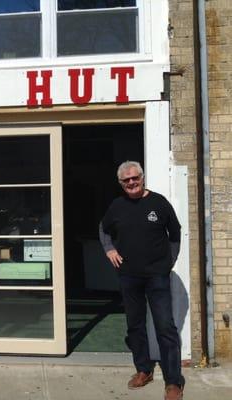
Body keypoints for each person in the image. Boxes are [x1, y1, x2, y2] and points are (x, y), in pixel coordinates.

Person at [99, 161, 185, 400]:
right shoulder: (117, 206)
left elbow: (175, 233)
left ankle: (173, 381)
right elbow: (103, 228)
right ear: (120, 183)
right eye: (126, 180)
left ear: (142, 177)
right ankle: (144, 370)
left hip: (157, 275)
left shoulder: (158, 203)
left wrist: (170, 260)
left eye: (134, 178)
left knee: (165, 327)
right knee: (135, 325)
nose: (131, 183)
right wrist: (109, 249)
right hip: (129, 275)